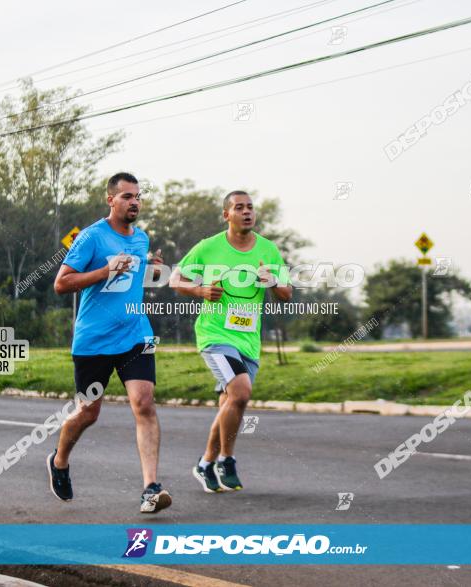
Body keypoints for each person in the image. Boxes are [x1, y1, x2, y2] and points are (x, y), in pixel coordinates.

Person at [48, 171, 171, 514]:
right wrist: (105, 271)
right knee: (88, 413)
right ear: (111, 200)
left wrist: (152, 269)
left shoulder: (142, 239)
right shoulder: (91, 238)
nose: (135, 202)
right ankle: (59, 461)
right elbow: (62, 283)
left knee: (144, 403)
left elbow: (135, 276)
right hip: (94, 340)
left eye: (138, 196)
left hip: (136, 334)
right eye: (127, 196)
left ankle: (150, 488)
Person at [171, 190, 293, 492]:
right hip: (215, 335)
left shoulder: (268, 249)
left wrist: (272, 281)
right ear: (227, 214)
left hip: (248, 340)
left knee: (231, 402)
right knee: (240, 392)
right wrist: (199, 291)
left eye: (250, 207)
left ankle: (204, 463)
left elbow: (286, 294)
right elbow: (175, 279)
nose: (247, 212)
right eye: (239, 208)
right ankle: (227, 458)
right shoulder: (208, 248)